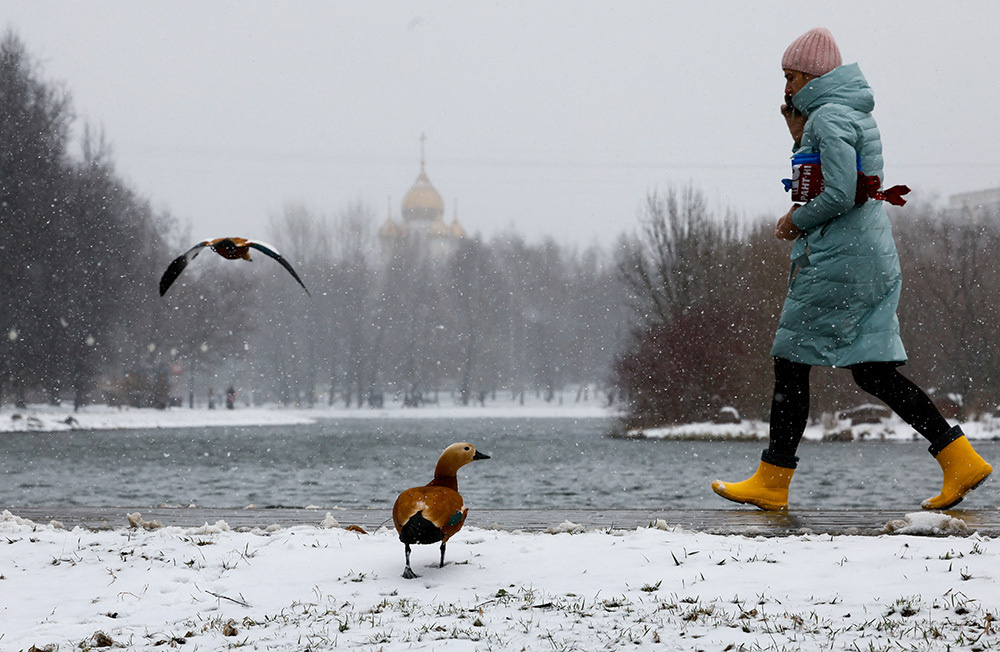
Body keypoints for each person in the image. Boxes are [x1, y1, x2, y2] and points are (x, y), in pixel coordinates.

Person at [712, 27, 992, 511]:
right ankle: (959, 458)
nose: (785, 87)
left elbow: (839, 193)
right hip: (864, 257)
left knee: (791, 360)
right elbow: (837, 176)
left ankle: (773, 480)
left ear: (814, 76)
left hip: (842, 263)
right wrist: (800, 138)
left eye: (792, 75)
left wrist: (793, 220)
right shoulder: (841, 113)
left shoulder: (830, 116)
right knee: (873, 372)